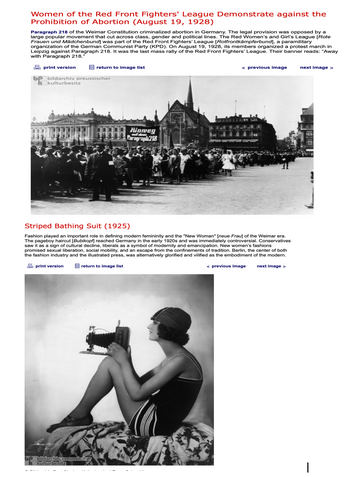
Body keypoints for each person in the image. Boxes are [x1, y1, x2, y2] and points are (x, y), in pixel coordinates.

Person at [46, 307, 203, 437]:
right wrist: (126, 359)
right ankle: (79, 415)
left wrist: (124, 362)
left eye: (155, 323)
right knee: (112, 362)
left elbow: (136, 394)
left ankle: (78, 416)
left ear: (168, 328)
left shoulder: (180, 361)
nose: (149, 326)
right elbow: (140, 384)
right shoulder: (176, 357)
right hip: (157, 419)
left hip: (154, 425)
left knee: (111, 363)